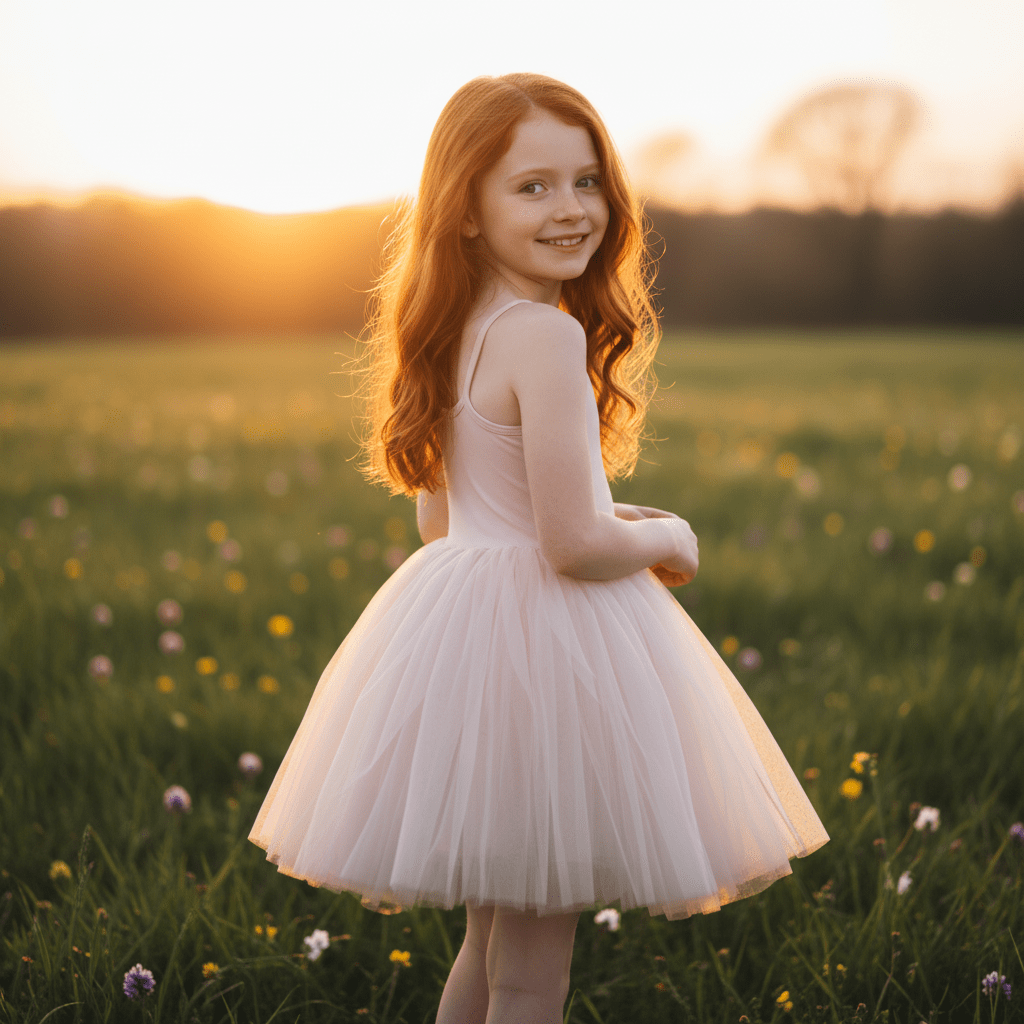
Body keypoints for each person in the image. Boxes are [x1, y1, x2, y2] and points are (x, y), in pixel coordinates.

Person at [249, 73, 828, 1024]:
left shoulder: (445, 330)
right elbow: (567, 545)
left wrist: (614, 516)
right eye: (533, 187)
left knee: (487, 950)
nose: (572, 211)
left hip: (465, 652)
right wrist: (670, 535)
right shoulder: (545, 338)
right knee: (531, 977)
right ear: (466, 209)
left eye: (587, 182)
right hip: (550, 666)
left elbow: (450, 522)